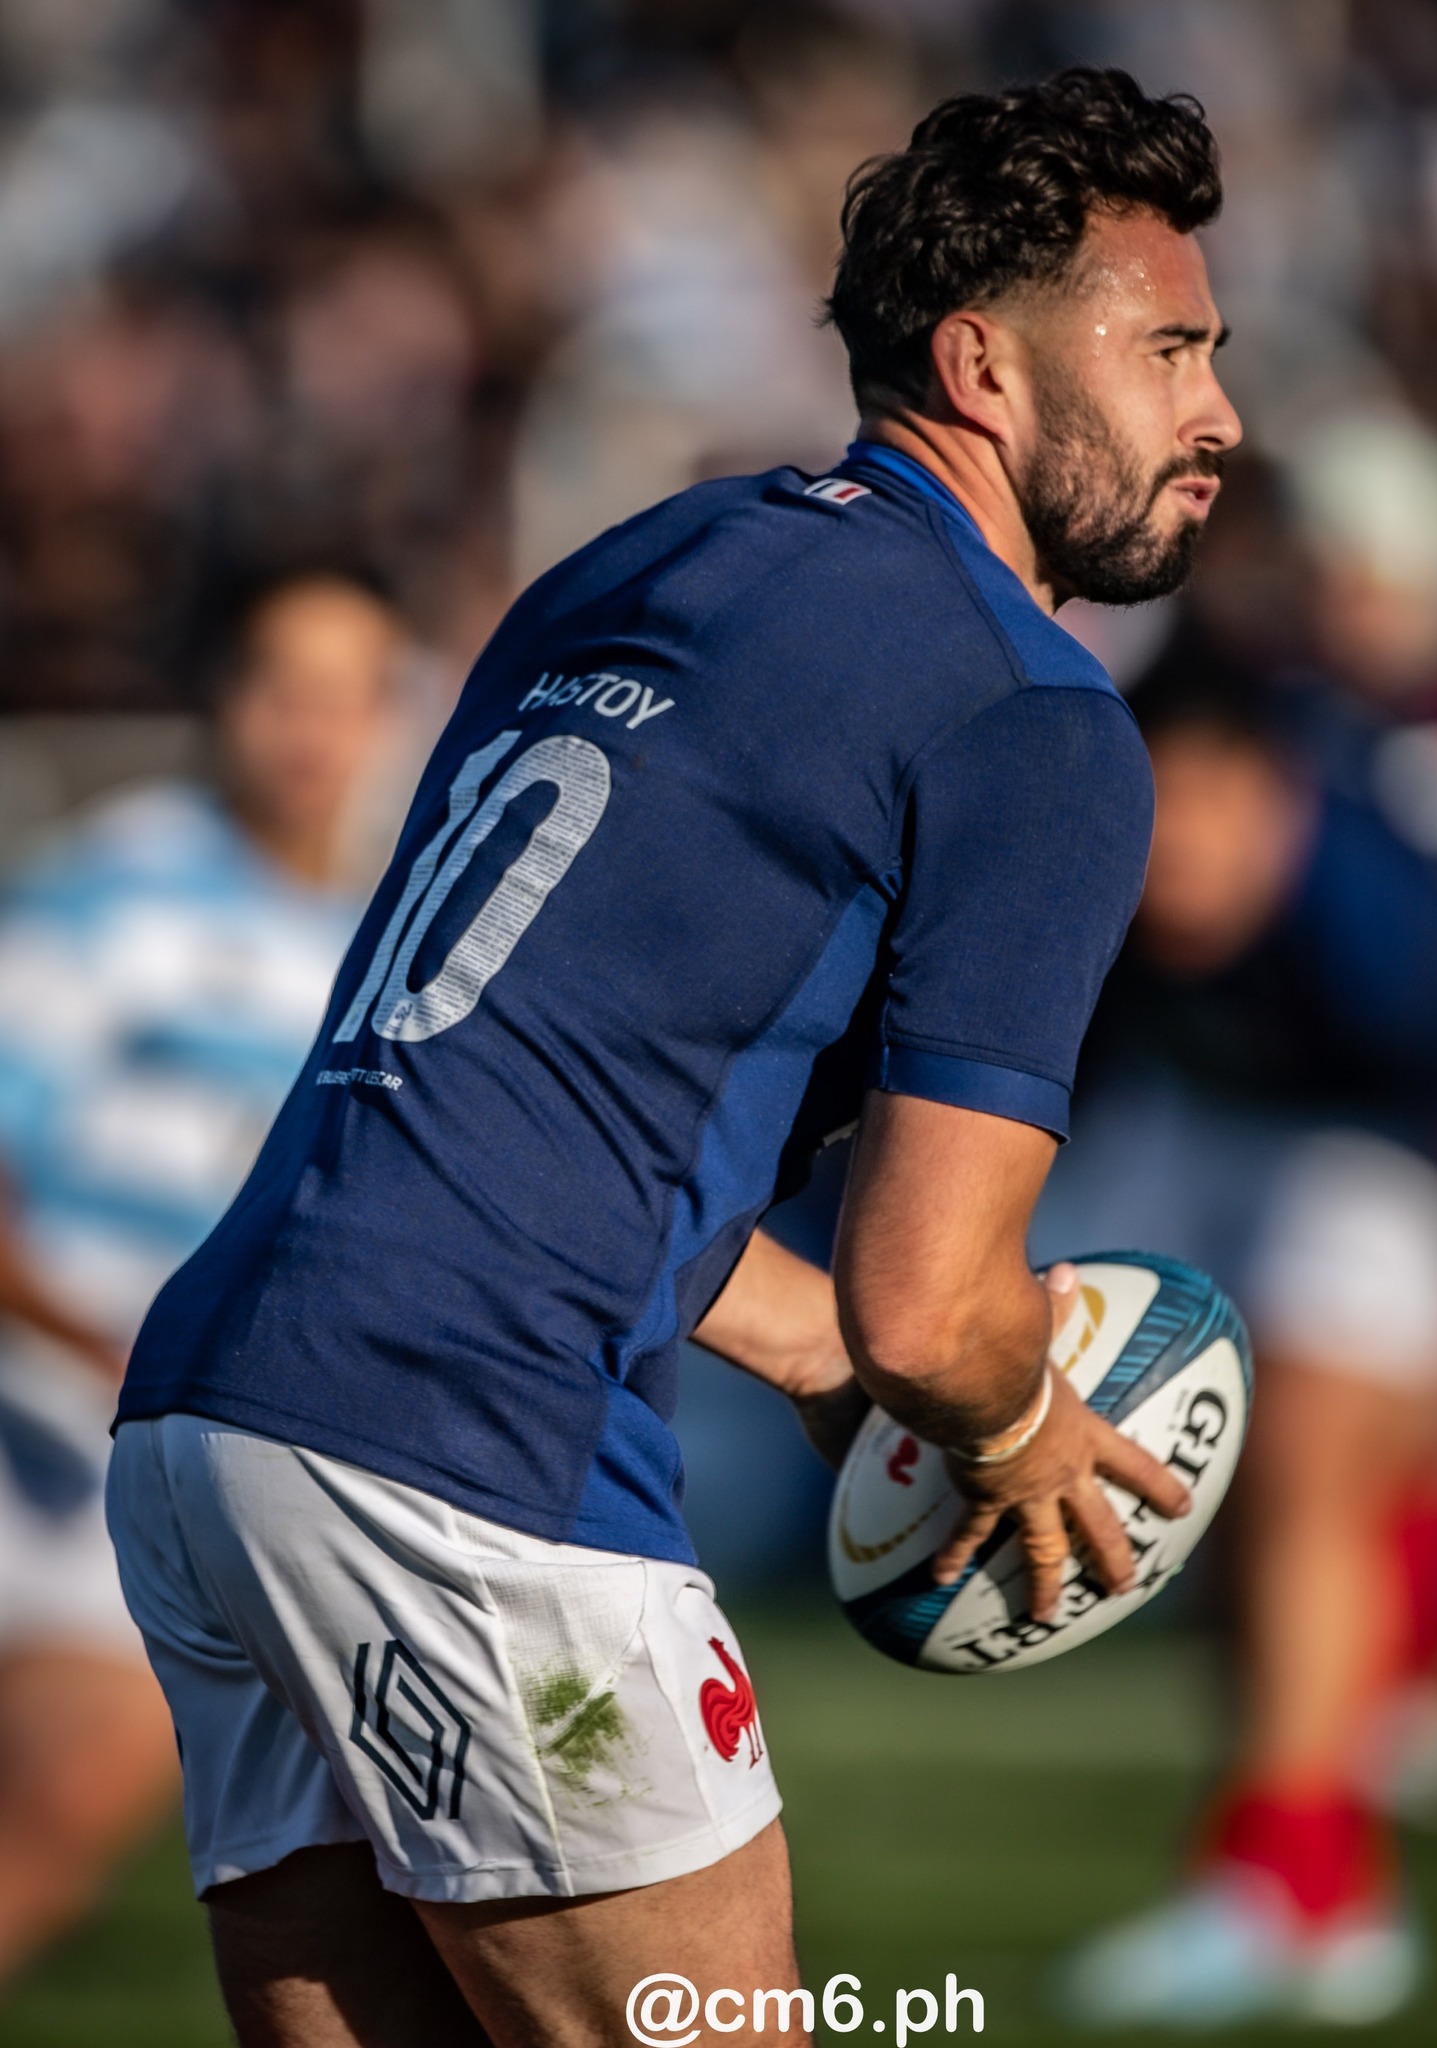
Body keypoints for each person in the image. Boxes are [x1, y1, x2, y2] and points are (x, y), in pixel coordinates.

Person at [107, 66, 1240, 2048]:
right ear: (982, 365)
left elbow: (543, 1080)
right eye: (1167, 350)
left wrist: (809, 1346)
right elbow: (933, 1303)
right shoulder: (1032, 714)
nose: (1215, 412)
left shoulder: (636, 565)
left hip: (220, 1417)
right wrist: (1010, 1427)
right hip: (470, 1446)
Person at [1045, 658, 1437, 2030]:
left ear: (1274, 792)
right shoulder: (1092, 874)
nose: (1179, 849)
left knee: (1300, 1453)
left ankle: (1273, 1881)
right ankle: (1338, 1889)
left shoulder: (1375, 914)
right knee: (1208, 1503)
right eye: (1156, 808)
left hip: (1393, 1154)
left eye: (1211, 805)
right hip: (1202, 1130)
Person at [0, 568, 400, 1982]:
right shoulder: (111, 895)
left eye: (348, 695)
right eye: (283, 687)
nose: (313, 729)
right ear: (220, 701)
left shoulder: (378, 940)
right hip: (45, 1436)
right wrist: (90, 1340)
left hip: (186, 1459)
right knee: (68, 1799)